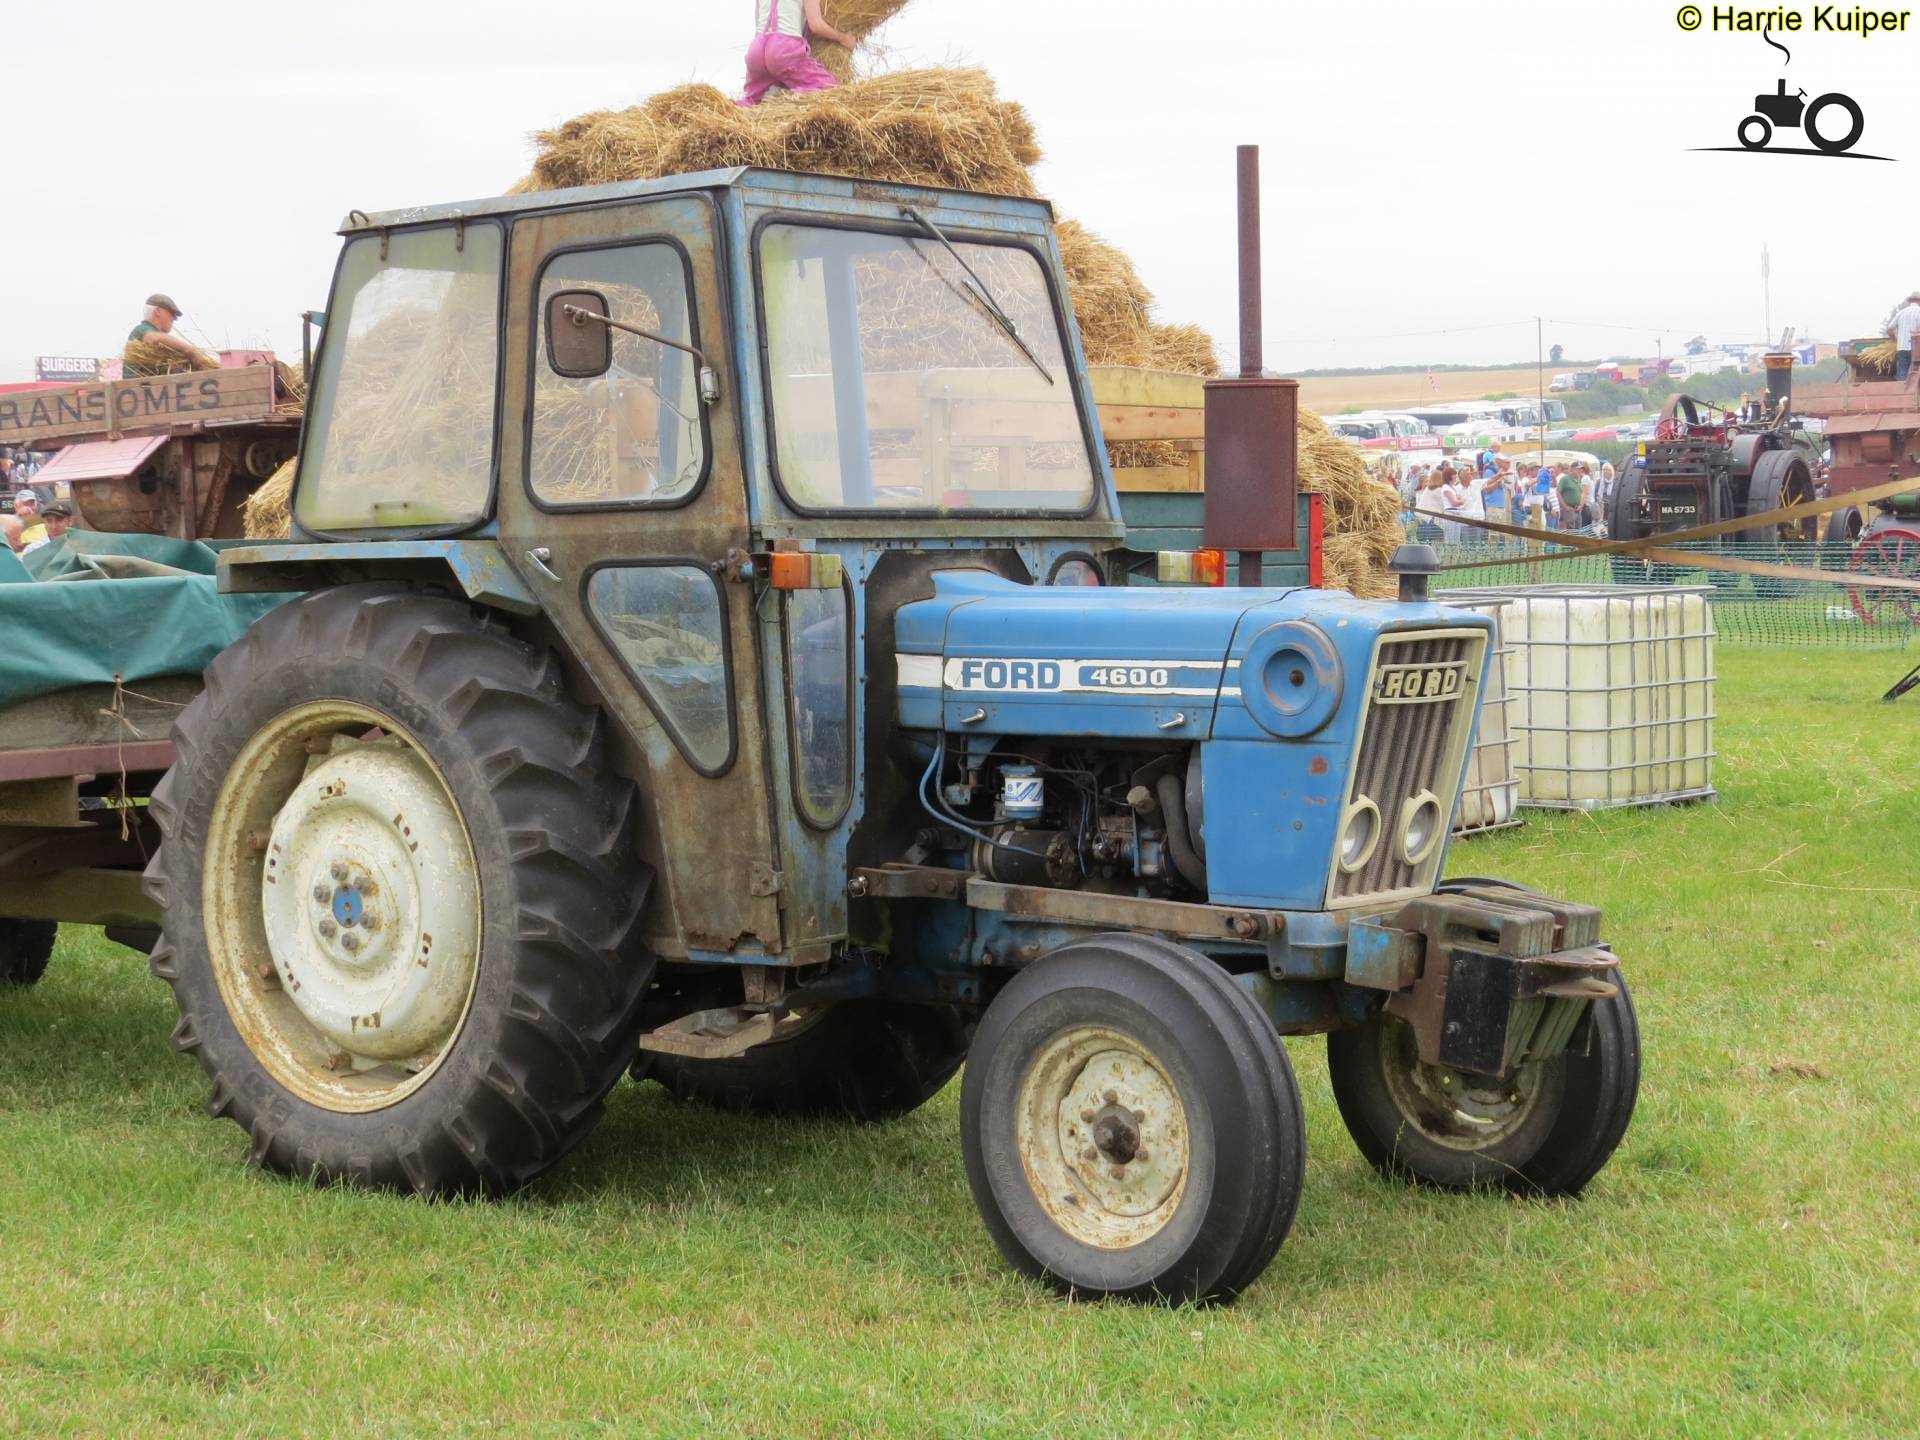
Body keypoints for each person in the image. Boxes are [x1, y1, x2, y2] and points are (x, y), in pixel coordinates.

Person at [741, 0, 855, 107]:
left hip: (757, 48)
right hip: (784, 47)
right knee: (832, 89)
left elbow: (759, 23)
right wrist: (843, 38)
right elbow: (816, 25)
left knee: (751, 102)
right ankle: (793, 99)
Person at [124, 294, 201, 377]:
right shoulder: (142, 330)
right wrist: (190, 351)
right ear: (158, 311)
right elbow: (153, 338)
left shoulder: (161, 343)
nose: (175, 318)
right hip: (139, 388)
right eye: (172, 313)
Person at [1889, 291, 1920, 382]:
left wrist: (1894, 339)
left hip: (1901, 347)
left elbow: (1889, 328)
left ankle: (1902, 393)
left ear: (1910, 301)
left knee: (1902, 371)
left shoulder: (1901, 313)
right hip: (1916, 348)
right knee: (1915, 372)